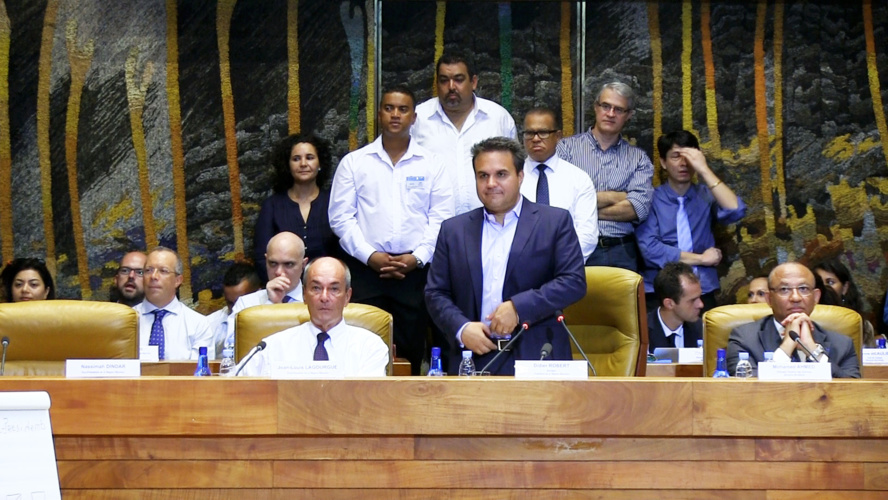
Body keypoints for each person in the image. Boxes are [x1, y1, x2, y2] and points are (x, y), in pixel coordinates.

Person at [425, 137, 586, 376]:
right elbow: (435, 293)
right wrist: (461, 328)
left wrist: (518, 307)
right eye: (483, 176)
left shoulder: (554, 222)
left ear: (520, 176)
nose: (491, 183)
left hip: (538, 355)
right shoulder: (454, 230)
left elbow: (573, 282)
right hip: (473, 357)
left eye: (501, 174)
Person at [330, 85, 454, 375]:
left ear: (414, 117)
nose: (395, 115)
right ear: (379, 115)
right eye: (389, 108)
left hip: (415, 273)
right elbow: (340, 218)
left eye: (403, 109)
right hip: (366, 273)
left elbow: (442, 218)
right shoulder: (355, 163)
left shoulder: (433, 164)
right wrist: (369, 255)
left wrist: (418, 257)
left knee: (410, 353)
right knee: (361, 348)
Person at [636, 130, 746, 312]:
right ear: (663, 162)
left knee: (704, 339)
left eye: (690, 156)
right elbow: (650, 249)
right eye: (676, 156)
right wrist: (701, 259)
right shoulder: (650, 199)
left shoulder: (706, 195)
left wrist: (704, 169)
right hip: (660, 290)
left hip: (702, 289)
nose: (683, 163)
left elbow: (735, 211)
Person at [556, 81, 654, 270]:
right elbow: (560, 202)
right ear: (595, 107)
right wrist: (615, 196)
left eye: (619, 109)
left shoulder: (638, 159)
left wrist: (582, 208)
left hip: (621, 251)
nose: (610, 114)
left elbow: (637, 209)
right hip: (574, 247)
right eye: (606, 106)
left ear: (629, 115)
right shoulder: (565, 150)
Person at [239, 257, 389, 377]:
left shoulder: (369, 346)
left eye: (334, 289)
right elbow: (235, 387)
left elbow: (370, 403)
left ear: (347, 297)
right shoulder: (272, 346)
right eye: (316, 288)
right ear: (304, 294)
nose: (324, 297)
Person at [411, 52, 517, 215]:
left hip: (490, 224)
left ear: (473, 82)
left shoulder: (498, 118)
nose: (451, 87)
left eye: (459, 79)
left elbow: (514, 171)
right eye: (444, 80)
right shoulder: (417, 119)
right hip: (433, 227)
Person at [726, 262, 860, 378]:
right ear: (769, 299)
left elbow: (853, 391)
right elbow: (747, 390)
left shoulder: (843, 344)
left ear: (816, 297)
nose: (795, 298)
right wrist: (787, 346)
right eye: (784, 289)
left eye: (803, 289)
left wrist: (813, 350)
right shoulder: (744, 339)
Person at [253, 133, 339, 281]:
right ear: (288, 165)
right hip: (283, 290)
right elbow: (262, 256)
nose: (303, 164)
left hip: (327, 287)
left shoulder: (334, 202)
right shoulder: (272, 205)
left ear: (320, 164)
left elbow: (344, 252)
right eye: (296, 159)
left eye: (310, 157)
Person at [519, 106, 599, 261]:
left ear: (558, 136)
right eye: (529, 133)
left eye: (543, 132)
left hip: (565, 268)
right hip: (519, 269)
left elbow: (587, 236)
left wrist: (559, 264)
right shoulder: (512, 178)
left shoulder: (578, 179)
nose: (535, 139)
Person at [133, 247, 214, 360]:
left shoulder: (198, 324)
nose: (153, 276)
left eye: (163, 271)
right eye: (148, 270)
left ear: (178, 280)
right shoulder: (125, 321)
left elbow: (200, 373)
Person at [228, 231, 308, 340]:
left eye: (288, 264)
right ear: (266, 261)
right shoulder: (246, 304)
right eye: (273, 264)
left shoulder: (317, 302)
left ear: (303, 264)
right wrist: (271, 305)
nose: (279, 272)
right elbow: (232, 348)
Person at [815, 258, 877, 347]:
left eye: (830, 282)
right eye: (819, 283)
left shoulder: (862, 325)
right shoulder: (802, 319)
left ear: (845, 288)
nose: (824, 287)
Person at [206, 262, 262, 357]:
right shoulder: (210, 325)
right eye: (230, 303)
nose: (235, 309)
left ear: (258, 293)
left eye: (240, 302)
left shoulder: (273, 321)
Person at [648, 262, 703, 352]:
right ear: (669, 304)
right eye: (693, 300)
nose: (701, 304)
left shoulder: (703, 330)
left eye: (700, 297)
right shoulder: (641, 333)